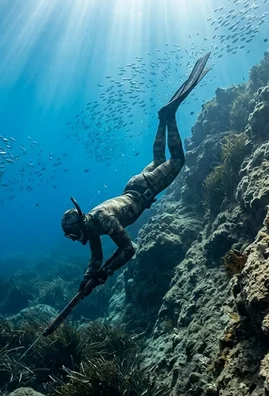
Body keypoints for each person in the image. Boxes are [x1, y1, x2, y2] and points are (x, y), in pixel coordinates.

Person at [61, 52, 211, 295]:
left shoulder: (102, 220)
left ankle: (169, 116)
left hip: (144, 189)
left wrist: (105, 274)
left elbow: (129, 249)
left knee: (177, 160)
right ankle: (163, 118)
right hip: (135, 186)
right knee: (159, 160)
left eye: (72, 235)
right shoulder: (92, 224)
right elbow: (97, 257)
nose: (73, 239)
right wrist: (89, 277)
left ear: (78, 226)